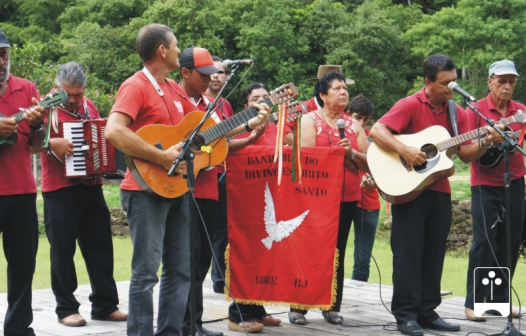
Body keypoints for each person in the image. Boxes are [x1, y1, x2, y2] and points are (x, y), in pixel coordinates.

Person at [370, 54, 502, 336]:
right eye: (445, 83)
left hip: (439, 190)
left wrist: (487, 139)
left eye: (454, 81)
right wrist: (405, 150)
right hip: (408, 190)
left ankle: (427, 312)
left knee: (433, 253)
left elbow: (465, 154)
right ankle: (405, 315)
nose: (451, 87)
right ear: (428, 82)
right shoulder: (409, 104)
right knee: (408, 254)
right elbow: (377, 130)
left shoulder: (457, 112)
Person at [34, 62, 127, 327]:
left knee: (100, 247)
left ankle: (105, 305)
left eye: (79, 93)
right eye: (69, 94)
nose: (74, 100)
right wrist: (51, 142)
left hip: (91, 186)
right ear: (57, 87)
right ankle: (66, 309)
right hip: (59, 189)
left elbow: (99, 135)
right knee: (62, 251)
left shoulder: (89, 107)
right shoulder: (44, 107)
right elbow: (26, 141)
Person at [288, 71, 369, 326]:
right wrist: (339, 156)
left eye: (345, 88)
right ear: (322, 95)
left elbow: (370, 162)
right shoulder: (309, 120)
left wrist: (352, 152)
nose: (343, 92)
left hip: (346, 197)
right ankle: (299, 306)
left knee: (337, 251)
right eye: (337, 88)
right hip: (316, 198)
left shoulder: (353, 125)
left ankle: (332, 306)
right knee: (309, 250)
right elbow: (308, 159)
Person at [463, 60, 525, 321]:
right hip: (484, 185)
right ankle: (473, 303)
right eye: (502, 81)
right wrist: (488, 140)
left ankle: (498, 302)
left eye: (511, 81)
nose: (507, 86)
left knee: (509, 244)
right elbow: (465, 153)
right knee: (484, 244)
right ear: (489, 82)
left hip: (515, 182)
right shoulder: (475, 110)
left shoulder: (521, 111)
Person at [0, 28, 47, 336]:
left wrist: (39, 123)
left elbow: (37, 145)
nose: (0, 62)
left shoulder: (27, 88)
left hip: (20, 191)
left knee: (23, 266)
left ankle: (18, 329)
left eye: (3, 54)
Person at [226, 82, 283, 333]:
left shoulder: (274, 126)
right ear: (245, 105)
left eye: (265, 97)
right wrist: (252, 137)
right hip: (242, 199)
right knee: (245, 253)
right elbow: (227, 153)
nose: (262, 102)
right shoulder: (237, 126)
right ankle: (238, 313)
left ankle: (257, 310)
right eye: (255, 98)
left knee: (263, 254)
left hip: (267, 199)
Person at [178, 47, 225, 336]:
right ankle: (183, 325)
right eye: (204, 74)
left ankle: (194, 323)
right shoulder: (175, 99)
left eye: (213, 74)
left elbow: (218, 146)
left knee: (202, 262)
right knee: (185, 261)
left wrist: (252, 128)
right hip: (182, 189)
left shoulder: (211, 105)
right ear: (185, 72)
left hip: (208, 190)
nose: (211, 79)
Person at [204, 56, 235, 295]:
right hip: (203, 172)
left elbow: (229, 139)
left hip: (224, 171)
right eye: (212, 72)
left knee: (223, 229)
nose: (216, 75)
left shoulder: (225, 105)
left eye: (221, 72)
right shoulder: (196, 101)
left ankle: (219, 278)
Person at [347, 95, 380, 282]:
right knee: (334, 253)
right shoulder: (338, 134)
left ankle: (359, 300)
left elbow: (380, 173)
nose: (361, 123)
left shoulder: (373, 139)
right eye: (357, 117)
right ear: (348, 114)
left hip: (368, 202)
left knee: (363, 259)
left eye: (365, 120)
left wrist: (375, 182)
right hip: (343, 199)